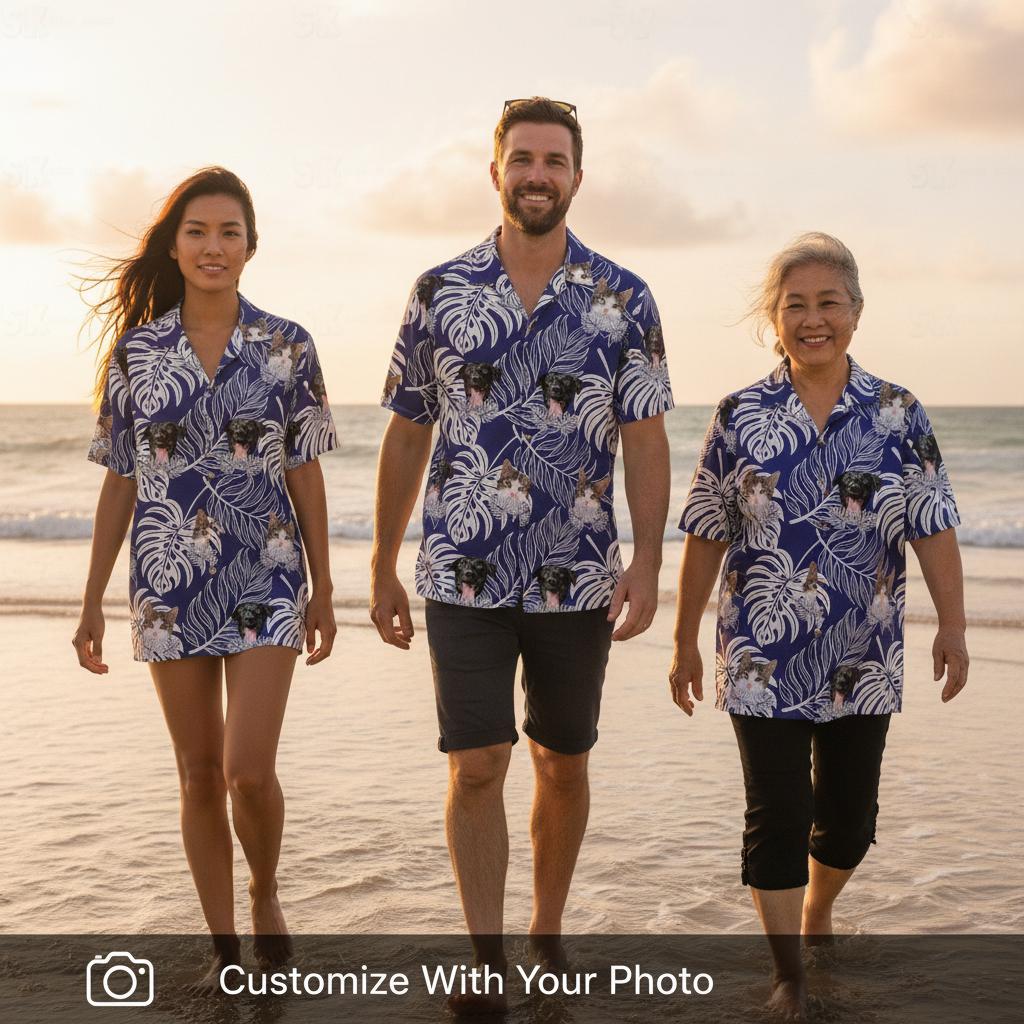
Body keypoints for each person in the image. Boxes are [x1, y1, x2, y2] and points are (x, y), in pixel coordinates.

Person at [371, 97, 673, 1010]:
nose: (538, 175)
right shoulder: (440, 290)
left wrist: (650, 560)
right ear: (495, 169)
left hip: (578, 574)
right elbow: (406, 432)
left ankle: (547, 926)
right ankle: (486, 960)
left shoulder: (625, 297)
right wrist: (383, 561)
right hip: (460, 571)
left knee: (562, 760)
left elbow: (648, 438)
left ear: (577, 177)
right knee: (477, 763)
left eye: (555, 161)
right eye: (523, 159)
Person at [670, 232, 968, 1017]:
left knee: (847, 824)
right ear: (774, 318)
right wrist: (682, 641)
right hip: (758, 655)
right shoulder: (741, 414)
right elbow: (706, 531)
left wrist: (954, 627)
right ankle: (787, 976)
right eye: (794, 304)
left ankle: (820, 907)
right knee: (775, 815)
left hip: (862, 654)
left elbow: (933, 525)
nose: (812, 319)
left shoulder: (898, 411)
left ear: (856, 313)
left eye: (827, 303)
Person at [73, 167, 338, 990]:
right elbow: (122, 477)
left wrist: (325, 586)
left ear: (251, 246)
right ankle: (224, 946)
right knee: (196, 771)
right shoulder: (139, 353)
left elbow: (304, 471)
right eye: (197, 231)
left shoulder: (288, 344)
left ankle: (264, 893)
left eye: (229, 232)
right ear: (175, 245)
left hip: (265, 570)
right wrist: (89, 599)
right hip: (167, 578)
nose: (213, 246)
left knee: (246, 770)